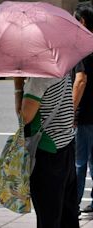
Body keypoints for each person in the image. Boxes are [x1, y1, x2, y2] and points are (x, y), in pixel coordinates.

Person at [14, 76, 78, 228]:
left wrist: (18, 85)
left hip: (47, 153)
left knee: (48, 217)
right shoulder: (63, 72)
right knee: (67, 215)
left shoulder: (38, 80)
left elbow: (25, 117)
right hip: (66, 147)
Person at [72, 3, 93, 214]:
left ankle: (73, 204)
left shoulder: (83, 47)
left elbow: (80, 80)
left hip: (86, 115)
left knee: (79, 162)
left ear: (82, 22)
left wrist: (70, 110)